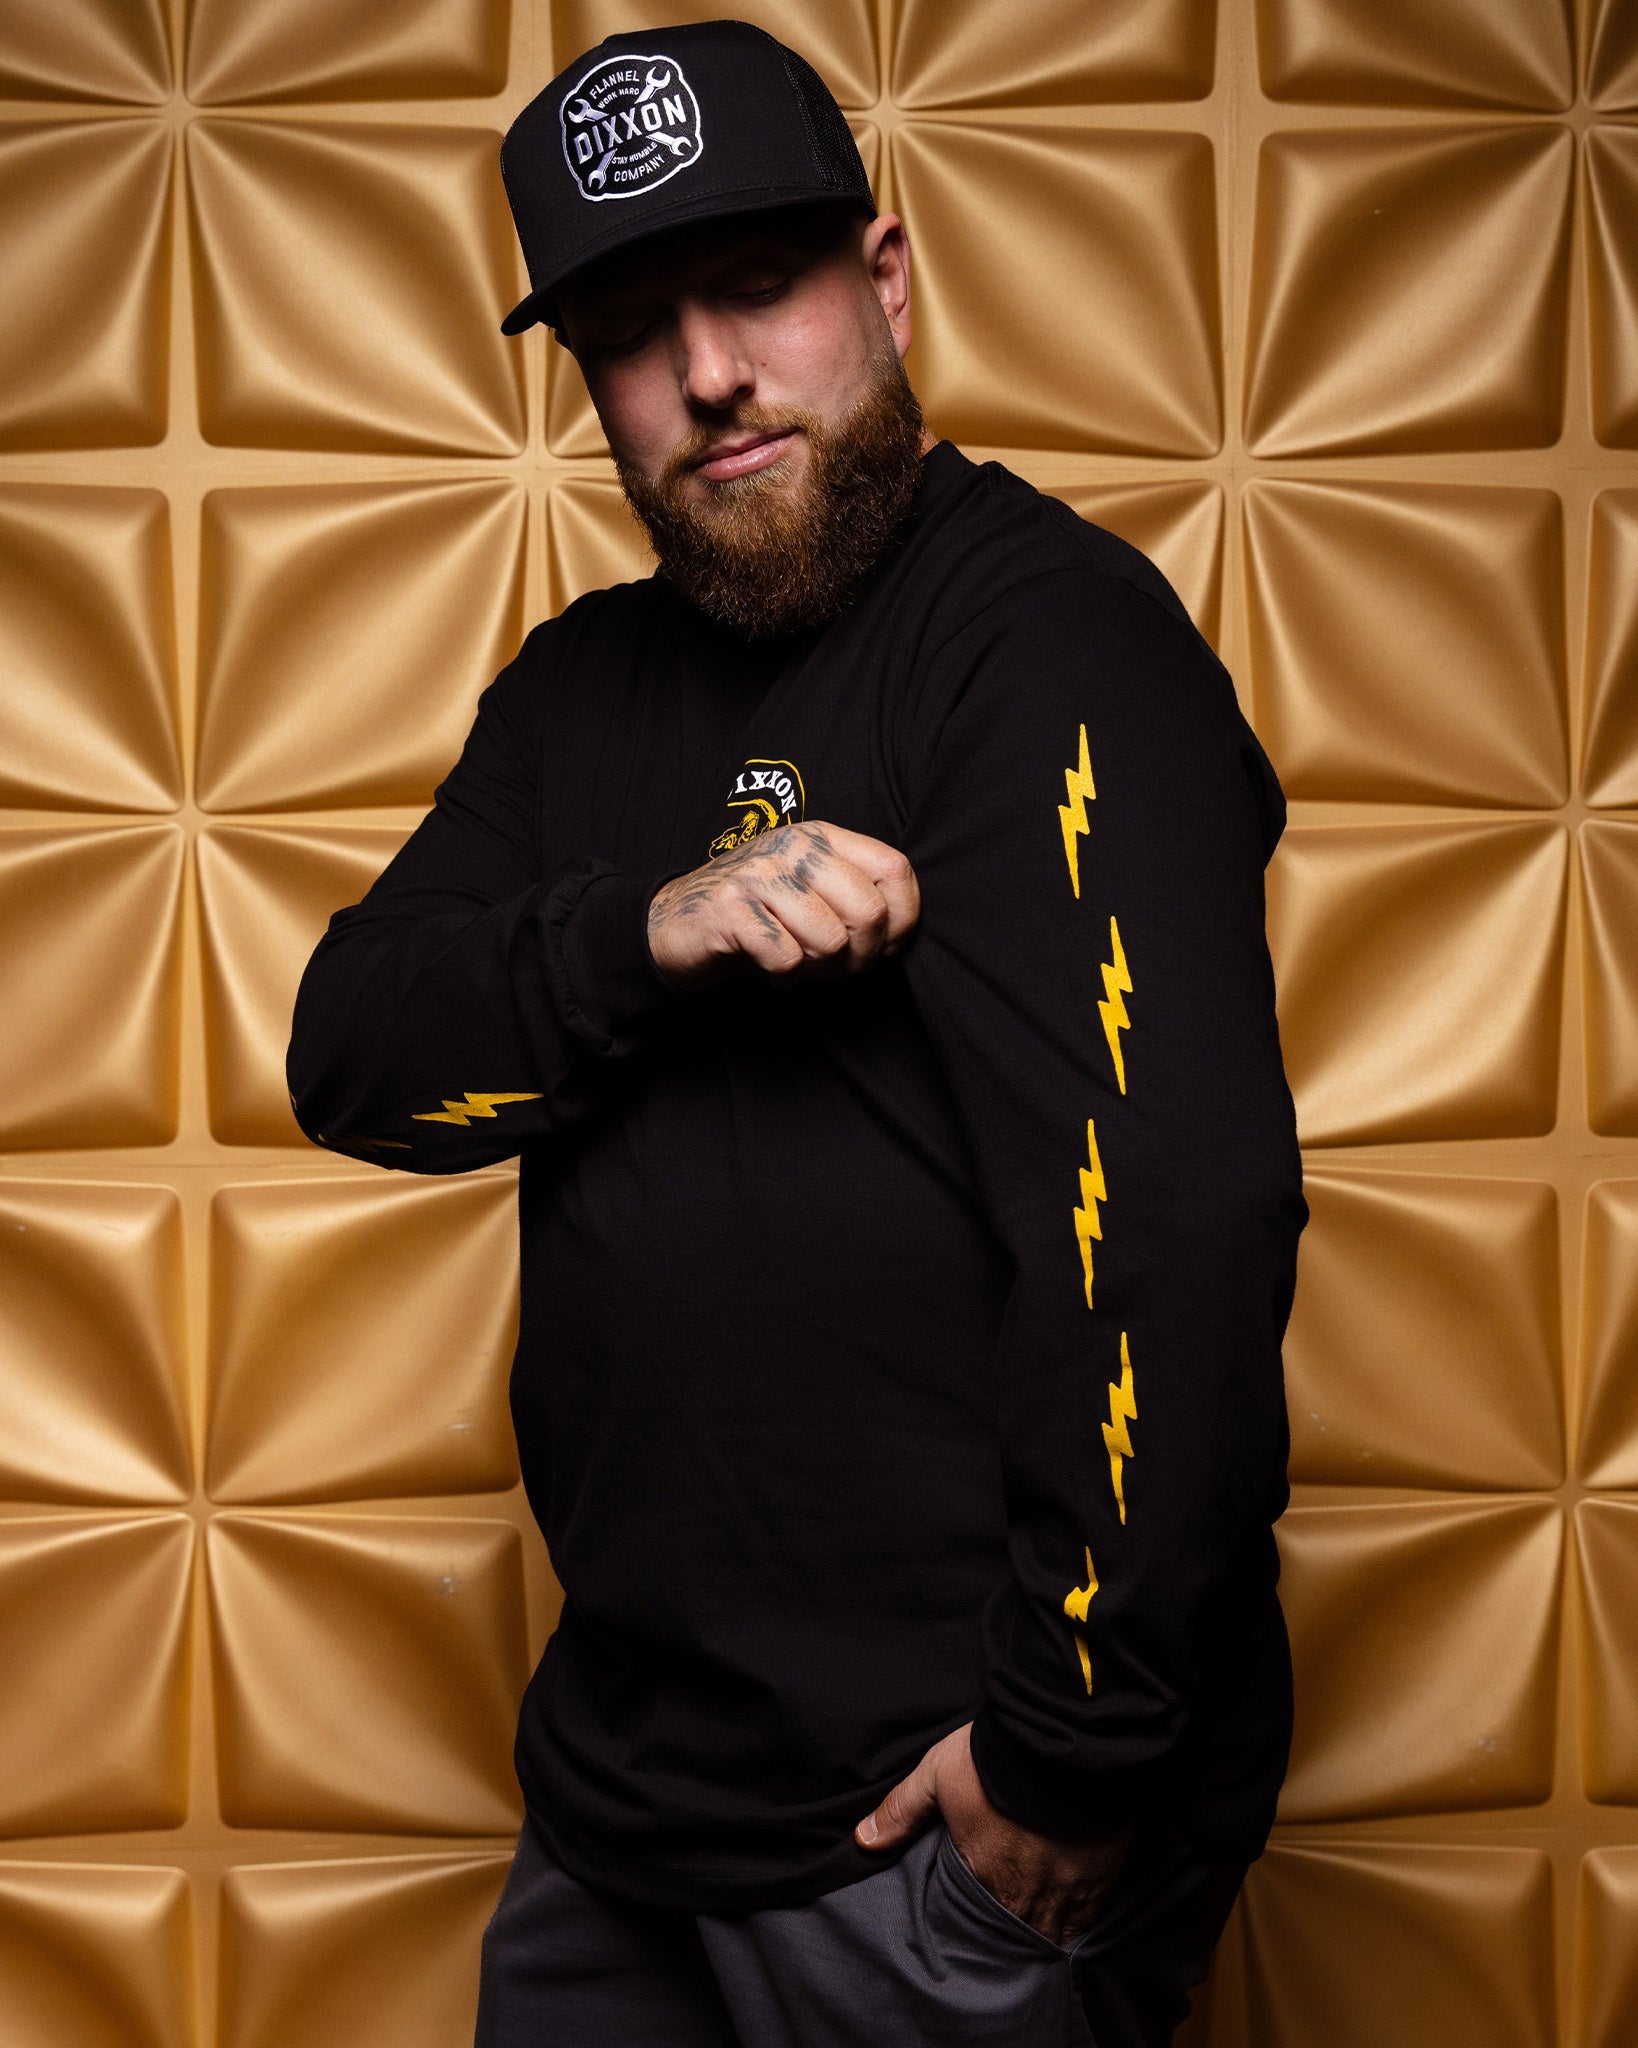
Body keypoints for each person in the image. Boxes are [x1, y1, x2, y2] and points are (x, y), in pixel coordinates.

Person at [286, 20, 1308, 2046]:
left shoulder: (1047, 640)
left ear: (886, 282)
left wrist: (1067, 1754)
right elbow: (360, 1064)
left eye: (757, 284)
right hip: (619, 1795)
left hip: (920, 1829)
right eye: (629, 333)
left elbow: (1171, 1225)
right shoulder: (575, 691)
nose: (708, 374)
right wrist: (645, 932)